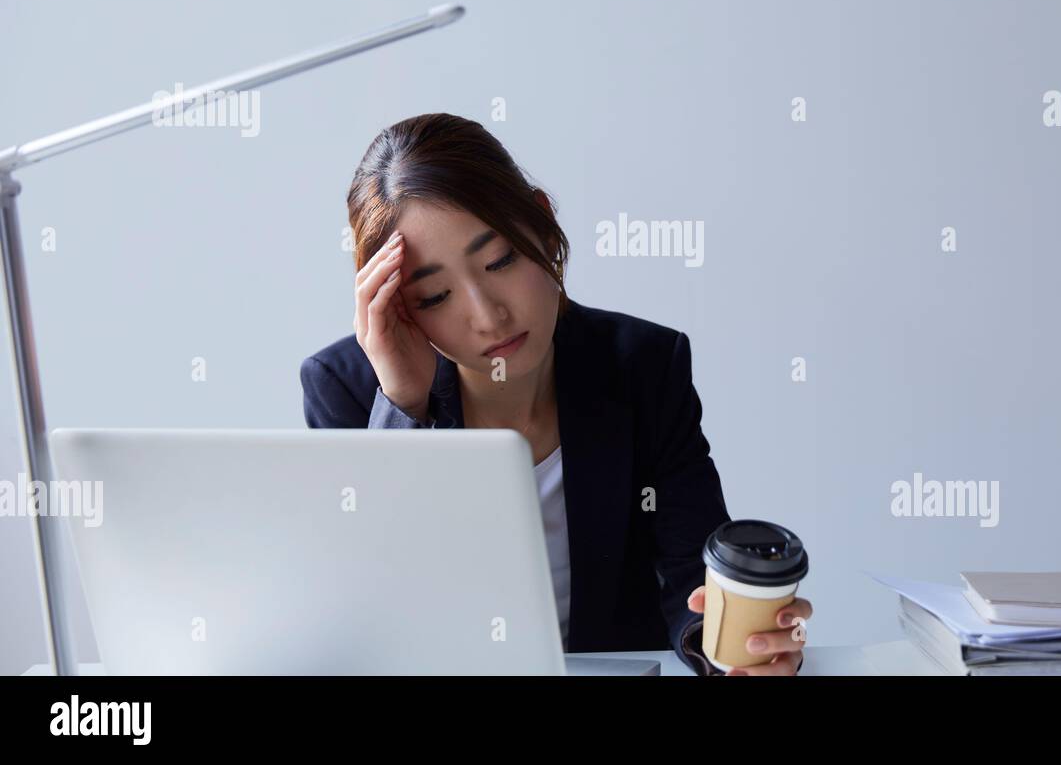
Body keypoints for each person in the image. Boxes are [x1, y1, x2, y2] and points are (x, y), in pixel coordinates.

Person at [300, 113, 811, 675]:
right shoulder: (347, 387)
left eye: (500, 261)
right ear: (399, 306)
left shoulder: (643, 364)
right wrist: (403, 408)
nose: (487, 315)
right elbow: (368, 615)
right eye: (436, 295)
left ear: (542, 226)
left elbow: (692, 573)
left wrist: (735, 647)